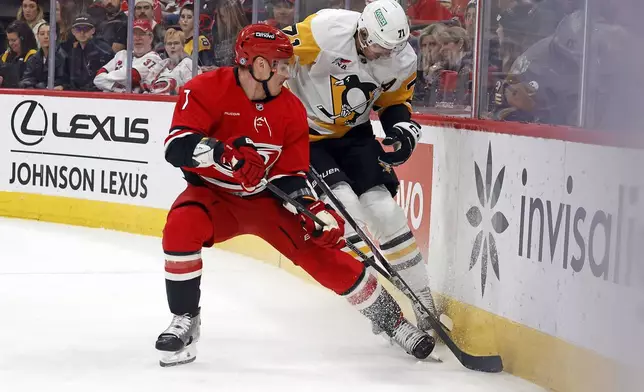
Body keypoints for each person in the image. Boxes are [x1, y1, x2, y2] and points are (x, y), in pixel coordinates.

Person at [155, 23, 435, 367]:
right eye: (282, 65)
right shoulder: (204, 89)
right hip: (214, 197)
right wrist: (221, 155)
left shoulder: (289, 109)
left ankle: (394, 323)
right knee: (181, 226)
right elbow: (175, 146)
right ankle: (185, 319)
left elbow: (291, 175)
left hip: (268, 204)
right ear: (259, 65)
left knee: (325, 254)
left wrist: (312, 210)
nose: (289, 74)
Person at [284, 0, 440, 334]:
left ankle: (425, 303)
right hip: (305, 137)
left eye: (392, 48)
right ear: (363, 32)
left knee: (386, 212)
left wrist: (401, 131)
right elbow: (274, 54)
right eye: (380, 47)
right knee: (346, 213)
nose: (386, 55)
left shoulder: (403, 58)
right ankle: (382, 306)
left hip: (354, 134)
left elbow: (394, 103)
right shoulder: (325, 30)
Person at [94, 18, 163, 92]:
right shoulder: (122, 54)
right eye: (134, 34)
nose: (137, 38)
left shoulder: (154, 58)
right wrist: (117, 89)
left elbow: (130, 76)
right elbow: (97, 78)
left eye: (142, 34)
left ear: (150, 37)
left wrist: (106, 79)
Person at [65, 14, 114, 91]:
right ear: (73, 32)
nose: (82, 33)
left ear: (93, 30)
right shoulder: (73, 51)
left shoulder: (103, 50)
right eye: (78, 29)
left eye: (86, 29)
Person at [144, 28, 196, 94]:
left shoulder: (189, 64)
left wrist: (174, 90)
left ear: (183, 45)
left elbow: (194, 89)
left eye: (176, 43)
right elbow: (147, 83)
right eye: (169, 44)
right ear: (165, 47)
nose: (172, 46)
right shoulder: (162, 64)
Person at [19, 23, 66, 89]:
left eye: (49, 33)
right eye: (42, 34)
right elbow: (27, 78)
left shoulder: (63, 57)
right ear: (37, 36)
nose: (46, 37)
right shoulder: (33, 58)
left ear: (55, 36)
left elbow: (62, 80)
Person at [0, 20, 38, 88]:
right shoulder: (5, 56)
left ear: (23, 39)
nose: (11, 43)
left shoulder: (33, 56)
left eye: (14, 40)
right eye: (9, 40)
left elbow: (30, 81)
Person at [178, 4, 215, 69]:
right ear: (179, 20)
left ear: (197, 21)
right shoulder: (177, 40)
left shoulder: (200, 41)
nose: (185, 20)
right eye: (183, 17)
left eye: (189, 17)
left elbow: (207, 68)